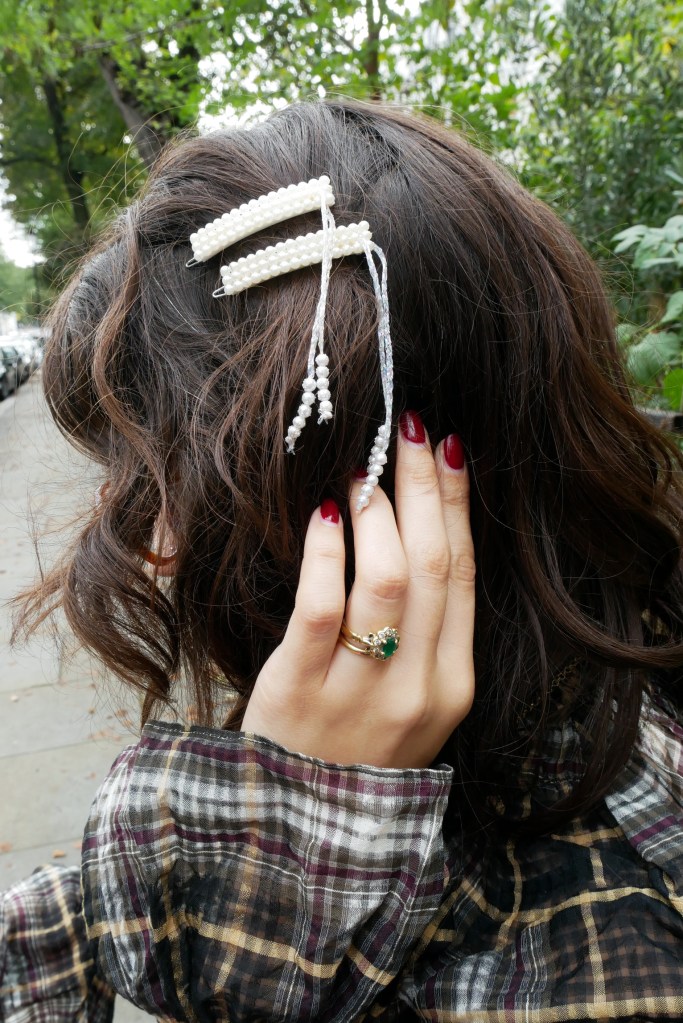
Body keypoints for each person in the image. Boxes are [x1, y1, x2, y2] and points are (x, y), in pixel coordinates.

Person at [1, 99, 682, 1022]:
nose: (153, 553)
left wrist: (285, 890)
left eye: (165, 488)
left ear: (373, 492)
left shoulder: (602, 960)